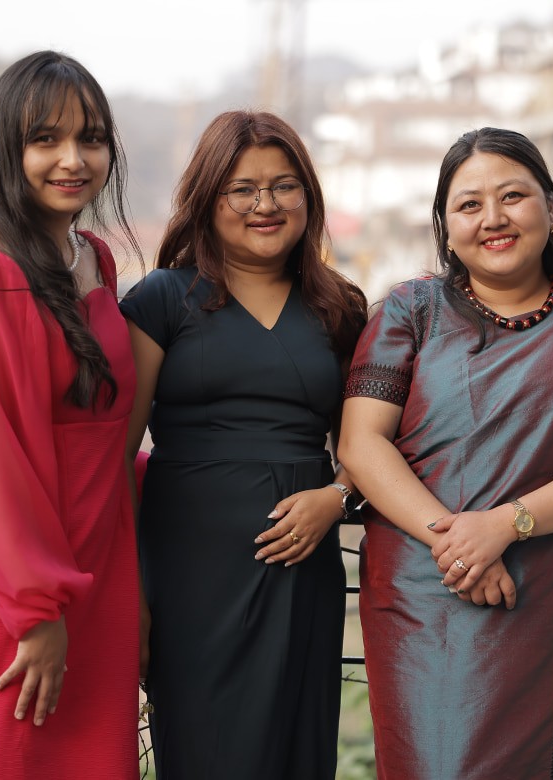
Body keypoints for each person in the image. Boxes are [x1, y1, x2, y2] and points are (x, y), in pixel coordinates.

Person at [338, 127, 553, 779]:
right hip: (421, 594)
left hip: (540, 596)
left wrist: (503, 525)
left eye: (514, 196)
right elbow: (363, 444)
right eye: (469, 204)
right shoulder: (410, 311)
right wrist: (458, 544)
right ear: (445, 228)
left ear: (552, 208)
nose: (494, 219)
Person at [0, 51, 143, 779]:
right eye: (46, 139)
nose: (72, 159)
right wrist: (33, 611)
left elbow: (103, 427)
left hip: (98, 557)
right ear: (6, 150)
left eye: (92, 138)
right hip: (5, 577)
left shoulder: (94, 259)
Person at [119, 110, 368, 779]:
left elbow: (366, 448)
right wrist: (133, 600)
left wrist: (335, 500)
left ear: (308, 198)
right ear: (209, 198)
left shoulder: (340, 308)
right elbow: (117, 457)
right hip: (187, 580)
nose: (266, 204)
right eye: (244, 189)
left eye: (284, 186)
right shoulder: (161, 300)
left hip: (301, 576)